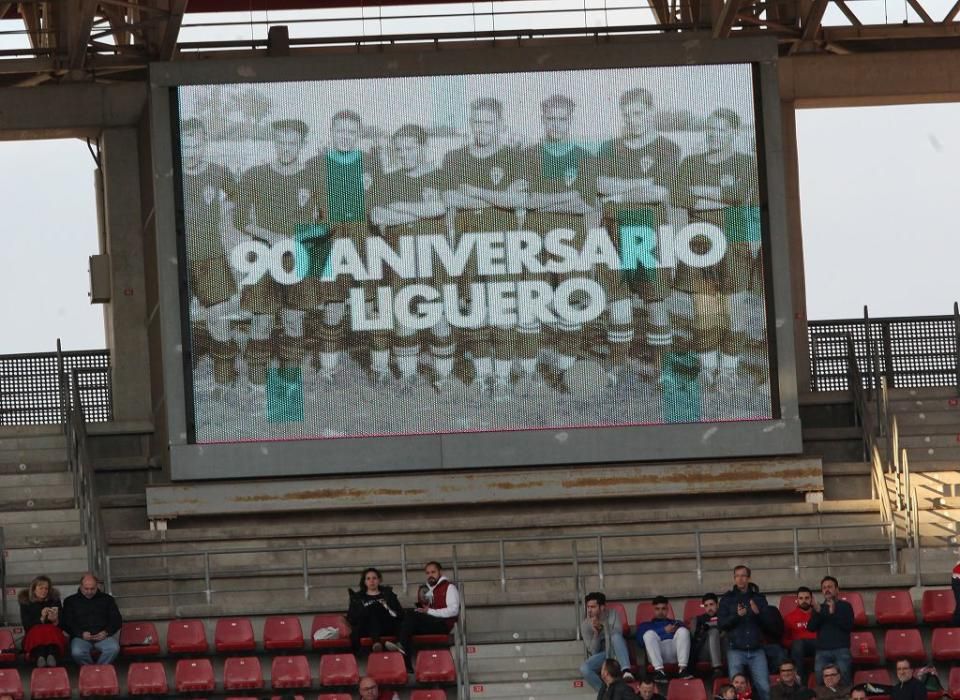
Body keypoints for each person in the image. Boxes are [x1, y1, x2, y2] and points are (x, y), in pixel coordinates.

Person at [441, 96, 528, 397]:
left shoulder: (514, 157)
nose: (481, 128)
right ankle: (482, 374)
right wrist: (497, 196)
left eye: (488, 122)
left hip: (503, 243)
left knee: (503, 309)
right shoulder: (453, 157)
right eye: (476, 121)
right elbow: (449, 199)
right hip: (468, 244)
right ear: (470, 124)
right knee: (475, 308)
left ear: (501, 125)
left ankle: (502, 377)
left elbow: (517, 200)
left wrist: (475, 191)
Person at [597, 87, 680, 387]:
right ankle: (615, 365)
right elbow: (598, 184)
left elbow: (660, 192)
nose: (632, 120)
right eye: (627, 114)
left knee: (654, 301)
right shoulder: (609, 147)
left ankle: (663, 367)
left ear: (651, 112)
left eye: (639, 113)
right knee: (617, 299)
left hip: (648, 231)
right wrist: (636, 185)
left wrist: (618, 191)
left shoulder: (667, 148)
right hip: (613, 229)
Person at [370, 125, 450, 390]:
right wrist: (422, 212)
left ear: (424, 148)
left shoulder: (439, 175)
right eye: (399, 149)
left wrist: (402, 208)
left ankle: (443, 376)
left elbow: (440, 207)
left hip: (433, 254)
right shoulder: (389, 179)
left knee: (438, 312)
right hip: (399, 254)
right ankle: (408, 374)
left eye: (410, 148)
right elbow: (378, 216)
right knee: (404, 312)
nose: (404, 154)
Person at [390, 561, 459, 670]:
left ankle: (402, 646)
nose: (430, 575)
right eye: (427, 573)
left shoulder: (449, 587)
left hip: (443, 625)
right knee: (405, 623)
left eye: (433, 572)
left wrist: (429, 611)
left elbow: (454, 611)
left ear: (440, 572)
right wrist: (423, 610)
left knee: (410, 616)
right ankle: (406, 664)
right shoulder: (428, 589)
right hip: (431, 623)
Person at [719, 565, 771, 700]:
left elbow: (769, 624)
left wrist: (758, 614)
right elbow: (721, 624)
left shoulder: (759, 598)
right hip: (735, 649)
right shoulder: (727, 599)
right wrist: (737, 616)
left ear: (749, 578)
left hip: (756, 649)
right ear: (734, 578)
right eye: (737, 576)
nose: (740, 579)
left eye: (743, 576)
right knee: (733, 692)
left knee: (764, 688)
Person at [61, 573, 122, 665]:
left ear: (97, 586)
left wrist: (106, 632)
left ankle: (98, 670)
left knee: (114, 648)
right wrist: (80, 633)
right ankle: (91, 670)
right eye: (86, 589)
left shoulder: (107, 599)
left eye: (92, 589)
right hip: (80, 637)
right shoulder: (70, 601)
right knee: (77, 652)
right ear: (81, 586)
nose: (89, 591)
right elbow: (67, 622)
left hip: (103, 636)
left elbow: (116, 620)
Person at [578, 591, 634, 691]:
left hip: (617, 652)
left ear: (602, 607)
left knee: (615, 636)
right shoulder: (585, 625)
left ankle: (626, 670)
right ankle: (605, 691)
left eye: (593, 607)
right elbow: (593, 651)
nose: (589, 610)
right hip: (602, 655)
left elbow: (618, 634)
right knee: (584, 668)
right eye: (588, 607)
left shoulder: (613, 614)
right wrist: (596, 634)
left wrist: (603, 626)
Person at [806, 576, 853, 684]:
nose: (827, 590)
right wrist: (818, 612)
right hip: (822, 651)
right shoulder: (819, 607)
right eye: (824, 588)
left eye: (830, 587)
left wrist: (832, 614)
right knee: (820, 679)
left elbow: (848, 626)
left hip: (841, 649)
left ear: (837, 589)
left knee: (844, 679)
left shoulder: (845, 606)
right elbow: (811, 628)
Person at [346, 567, 403, 654]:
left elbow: (399, 613)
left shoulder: (388, 595)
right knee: (372, 609)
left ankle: (378, 643)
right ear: (364, 582)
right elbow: (351, 618)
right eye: (368, 578)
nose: (371, 581)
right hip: (366, 628)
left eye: (374, 578)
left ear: (379, 580)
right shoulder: (357, 598)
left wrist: (385, 606)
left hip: (386, 626)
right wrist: (365, 611)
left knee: (376, 608)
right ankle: (376, 643)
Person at [637, 595, 692, 680]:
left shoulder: (676, 623)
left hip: (675, 653)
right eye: (657, 609)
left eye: (663, 608)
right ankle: (659, 671)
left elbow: (689, 638)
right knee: (648, 634)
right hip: (657, 654)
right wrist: (663, 630)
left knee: (683, 630)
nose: (660, 612)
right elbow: (640, 642)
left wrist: (677, 629)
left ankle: (683, 669)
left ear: (668, 609)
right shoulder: (645, 625)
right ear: (653, 610)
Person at [18, 575, 66, 667]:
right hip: (34, 636)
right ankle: (41, 656)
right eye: (41, 588)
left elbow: (63, 625)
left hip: (53, 634)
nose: (44, 591)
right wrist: (41, 619)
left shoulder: (54, 600)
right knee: (39, 631)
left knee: (50, 629)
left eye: (46, 588)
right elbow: (27, 626)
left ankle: (50, 656)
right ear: (34, 589)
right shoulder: (26, 602)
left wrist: (56, 620)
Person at [782, 587, 817, 681]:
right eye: (801, 598)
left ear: (811, 599)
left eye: (807, 598)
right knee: (798, 644)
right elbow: (785, 639)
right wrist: (794, 644)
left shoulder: (819, 614)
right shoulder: (789, 617)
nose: (804, 601)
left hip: (816, 644)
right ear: (797, 600)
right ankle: (799, 680)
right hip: (798, 648)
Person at [692, 592, 725, 677]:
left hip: (723, 649)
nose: (709, 608)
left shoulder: (725, 617)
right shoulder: (699, 619)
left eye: (711, 604)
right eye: (706, 606)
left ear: (717, 605)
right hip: (705, 652)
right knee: (713, 632)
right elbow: (695, 638)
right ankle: (717, 668)